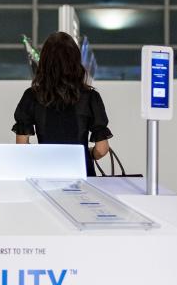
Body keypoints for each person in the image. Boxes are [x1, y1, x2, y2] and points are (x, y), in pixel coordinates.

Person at [12, 31, 112, 176]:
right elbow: (102, 149)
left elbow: (22, 147)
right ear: (75, 61)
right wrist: (87, 155)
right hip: (82, 176)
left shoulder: (32, 96)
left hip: (45, 174)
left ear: (45, 62)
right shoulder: (91, 97)